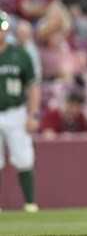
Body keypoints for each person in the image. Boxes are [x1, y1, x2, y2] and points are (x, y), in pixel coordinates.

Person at [0, 12, 41, 213]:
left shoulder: (20, 54)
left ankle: (30, 203)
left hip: (16, 111)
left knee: (24, 158)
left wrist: (33, 114)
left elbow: (33, 86)